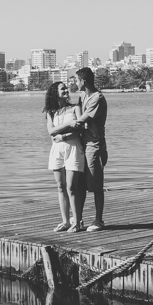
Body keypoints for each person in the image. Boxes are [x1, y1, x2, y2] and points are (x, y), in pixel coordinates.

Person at [43, 81, 85, 232]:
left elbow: (81, 130)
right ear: (55, 93)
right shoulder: (51, 112)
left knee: (71, 187)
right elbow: (51, 131)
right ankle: (66, 221)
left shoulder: (75, 108)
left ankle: (77, 223)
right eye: (63, 89)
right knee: (61, 187)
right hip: (57, 151)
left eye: (66, 88)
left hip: (73, 148)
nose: (67, 90)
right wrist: (70, 123)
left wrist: (64, 136)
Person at [72, 67, 108, 231]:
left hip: (93, 145)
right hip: (82, 144)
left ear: (83, 81)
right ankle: (79, 218)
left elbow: (81, 121)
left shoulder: (97, 98)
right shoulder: (83, 96)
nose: (75, 83)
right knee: (79, 184)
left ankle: (98, 220)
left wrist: (58, 132)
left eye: (76, 80)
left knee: (95, 184)